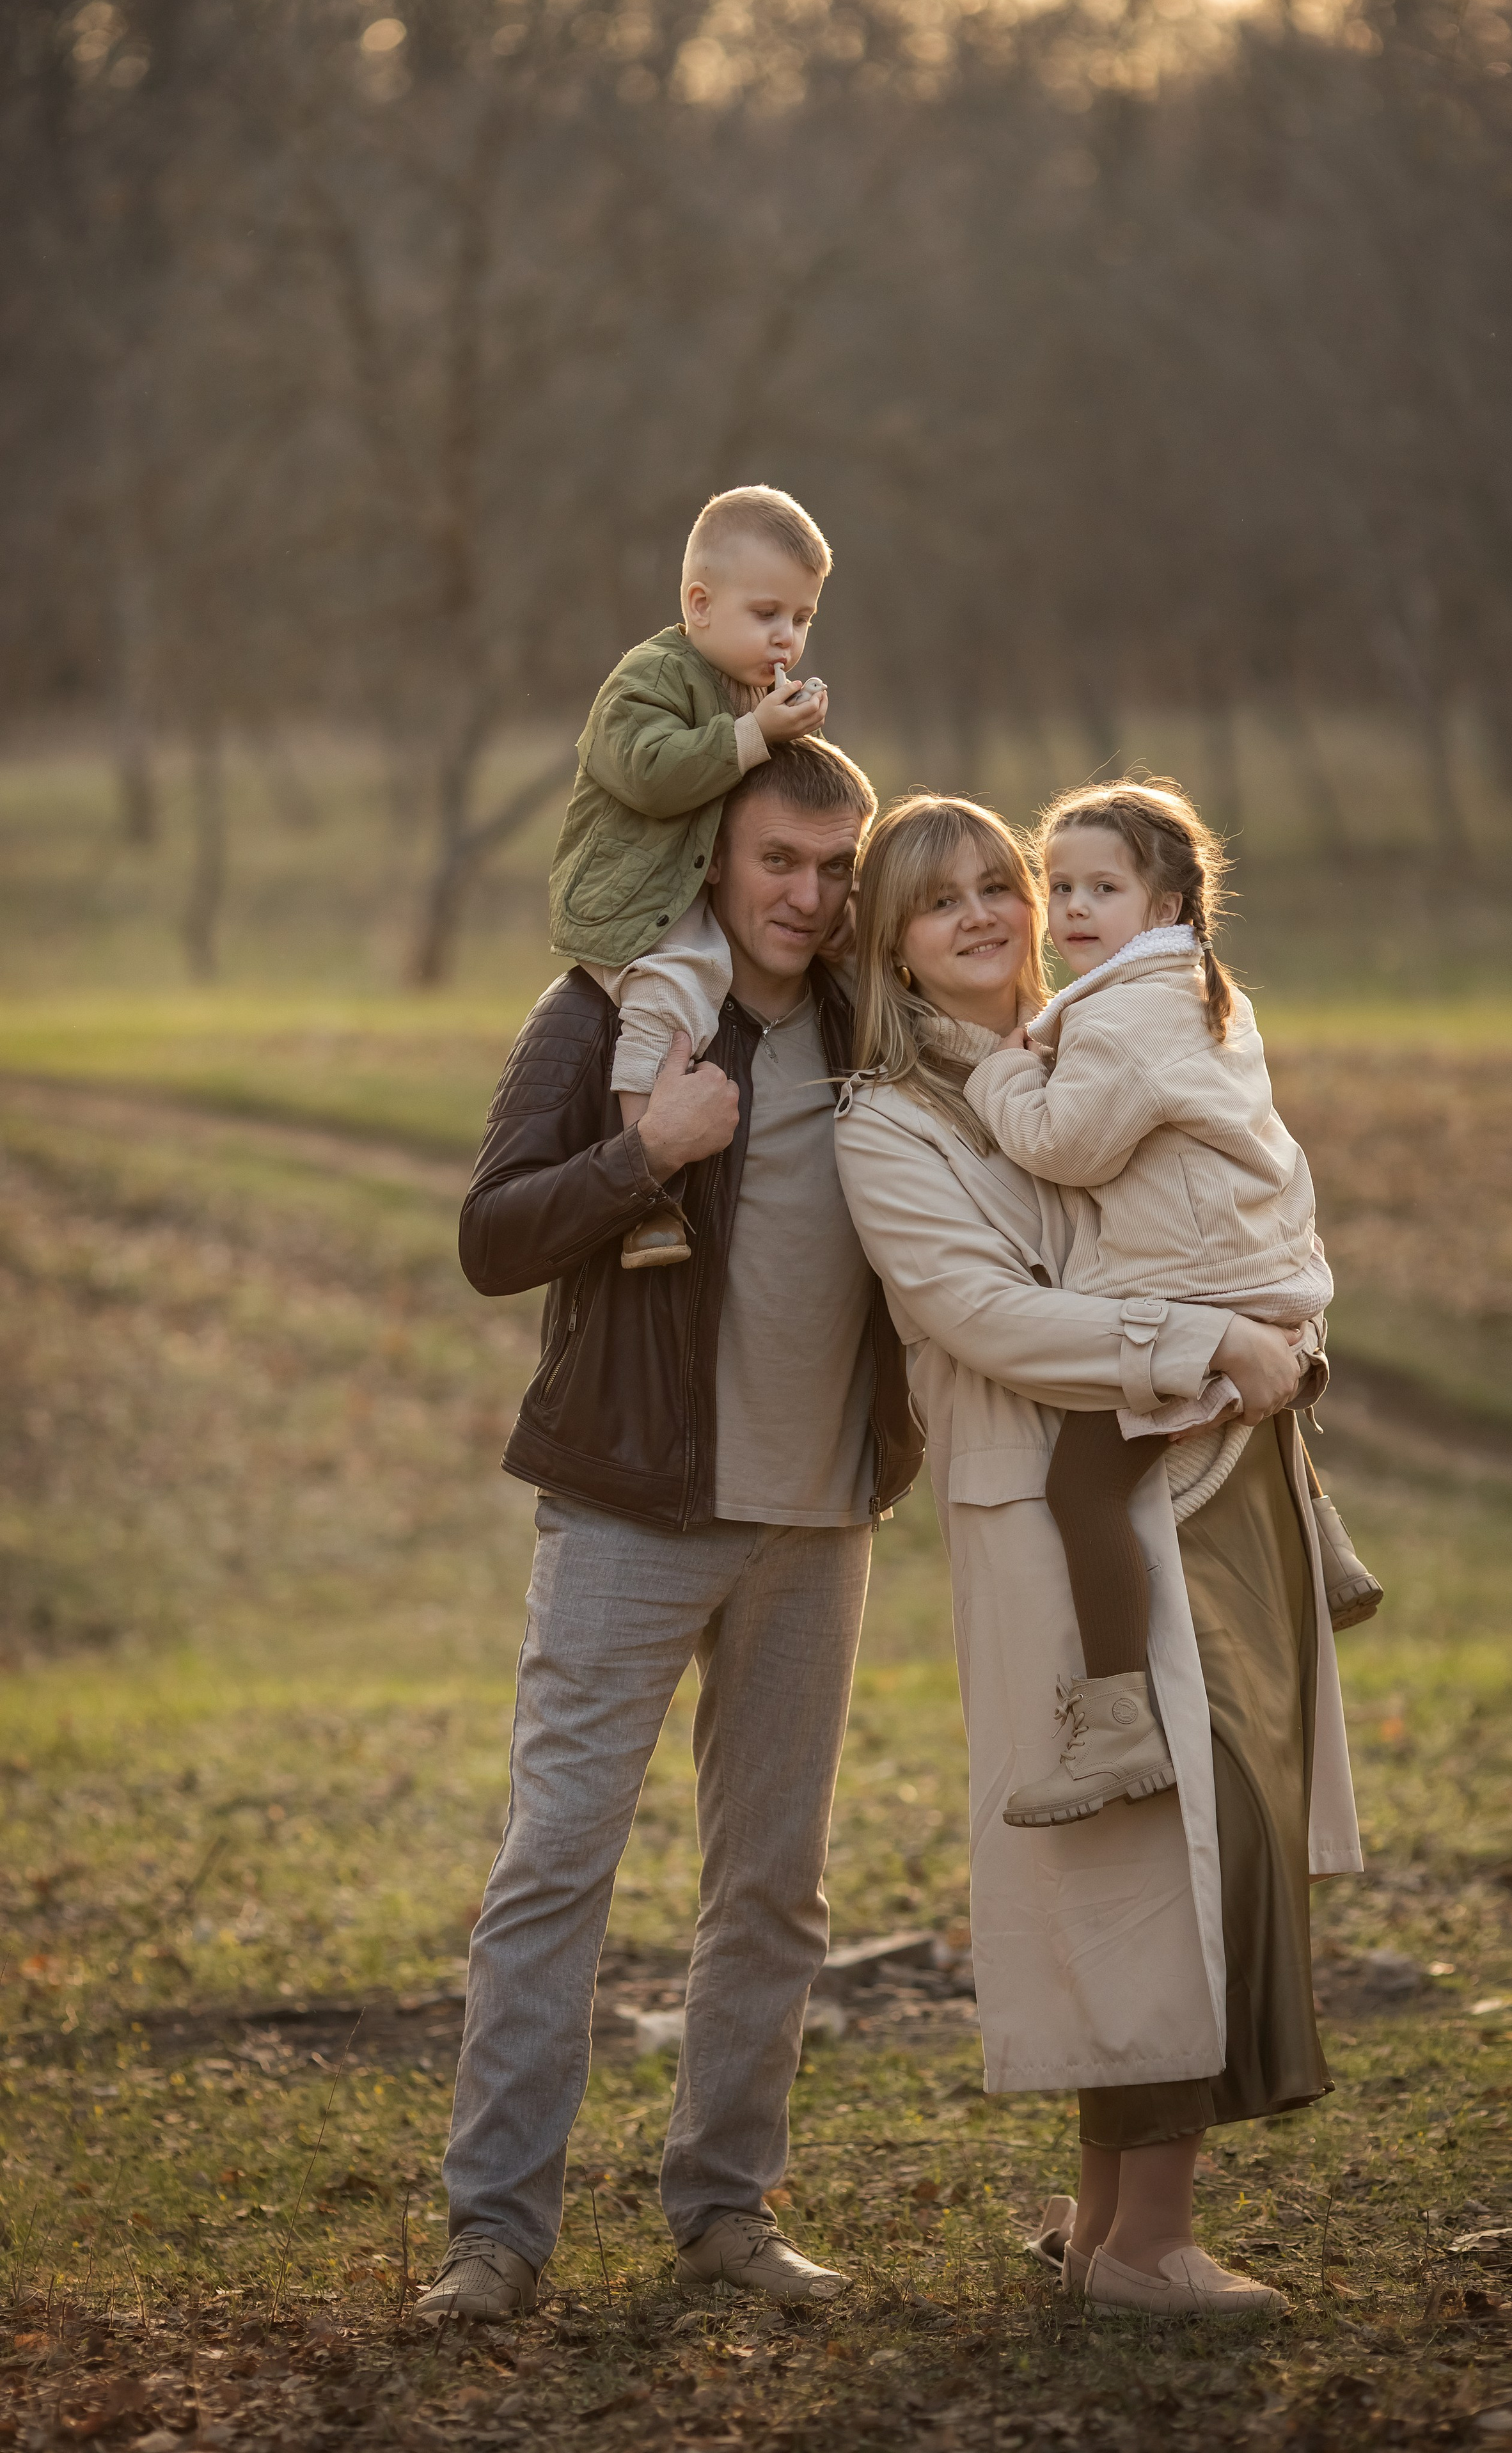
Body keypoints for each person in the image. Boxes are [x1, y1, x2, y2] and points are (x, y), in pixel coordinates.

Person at [833, 794, 1362, 2319]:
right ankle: (1146, 2245)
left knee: (1211, 1836)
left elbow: (1230, 1187)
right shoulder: (884, 1121)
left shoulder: (1102, 1038)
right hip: (1063, 1518)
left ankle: (1099, 2230)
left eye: (996, 883)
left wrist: (1258, 1322)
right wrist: (1199, 1339)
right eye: (939, 901)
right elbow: (985, 1317)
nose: (987, 915)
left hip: (1214, 1472)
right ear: (892, 945)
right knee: (1142, 1866)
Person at [416, 737, 922, 2325]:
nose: (808, 896)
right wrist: (647, 1150)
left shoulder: (871, 1024)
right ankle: (494, 2236)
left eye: (835, 869)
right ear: (714, 854)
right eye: (779, 862)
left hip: (820, 1519)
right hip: (630, 1505)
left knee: (772, 1887)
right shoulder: (604, 1010)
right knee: (554, 1868)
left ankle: (723, 2211)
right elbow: (491, 1235)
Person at [961, 778, 1361, 1832]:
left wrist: (1002, 1079)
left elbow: (1064, 1146)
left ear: (1169, 904)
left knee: (1083, 1485)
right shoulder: (1203, 992)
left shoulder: (1120, 1018)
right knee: (1236, 1397)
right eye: (1060, 887)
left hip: (1202, 1280)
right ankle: (1325, 1546)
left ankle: (1119, 1722)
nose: (1074, 908)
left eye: (1104, 888)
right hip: (1270, 1263)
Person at [549, 484, 833, 1269]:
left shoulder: (752, 690)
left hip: (700, 893)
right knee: (670, 995)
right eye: (767, 613)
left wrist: (793, 733)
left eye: (802, 618)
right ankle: (647, 1178)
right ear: (700, 604)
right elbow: (649, 774)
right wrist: (754, 734)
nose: (786, 636)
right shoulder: (647, 678)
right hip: (636, 900)